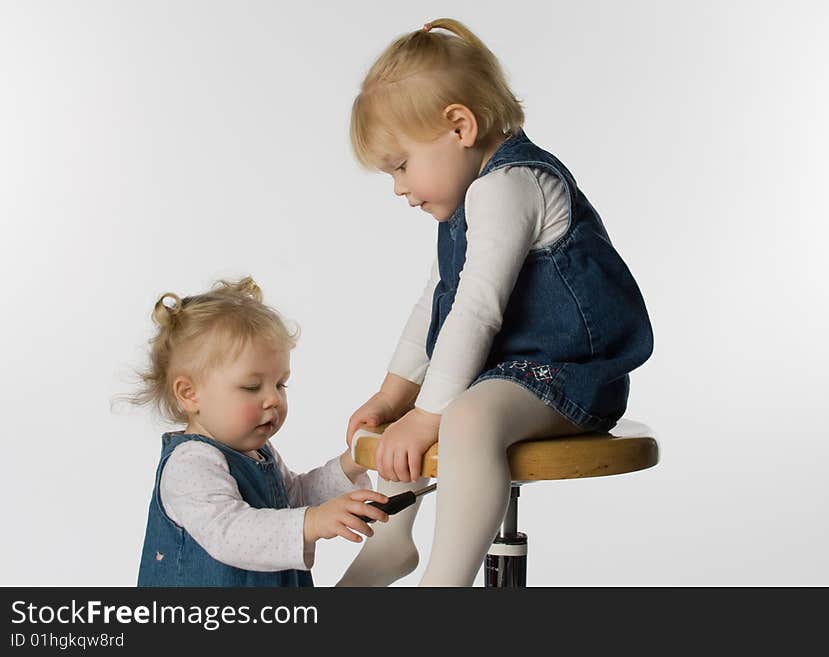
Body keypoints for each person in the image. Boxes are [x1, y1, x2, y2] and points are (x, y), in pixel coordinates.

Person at [337, 19, 653, 586]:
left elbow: (477, 311)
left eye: (401, 165)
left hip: (571, 380)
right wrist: (393, 398)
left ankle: (446, 580)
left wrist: (428, 413)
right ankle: (392, 541)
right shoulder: (464, 201)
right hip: (506, 376)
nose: (399, 188)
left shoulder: (509, 186)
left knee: (464, 415)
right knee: (438, 409)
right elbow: (435, 304)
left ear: (459, 125)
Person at [130, 277, 389, 586]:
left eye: (281, 384)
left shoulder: (258, 452)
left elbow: (292, 500)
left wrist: (350, 464)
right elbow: (229, 531)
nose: (273, 399)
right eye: (252, 387)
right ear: (189, 394)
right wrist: (313, 522)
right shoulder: (190, 463)